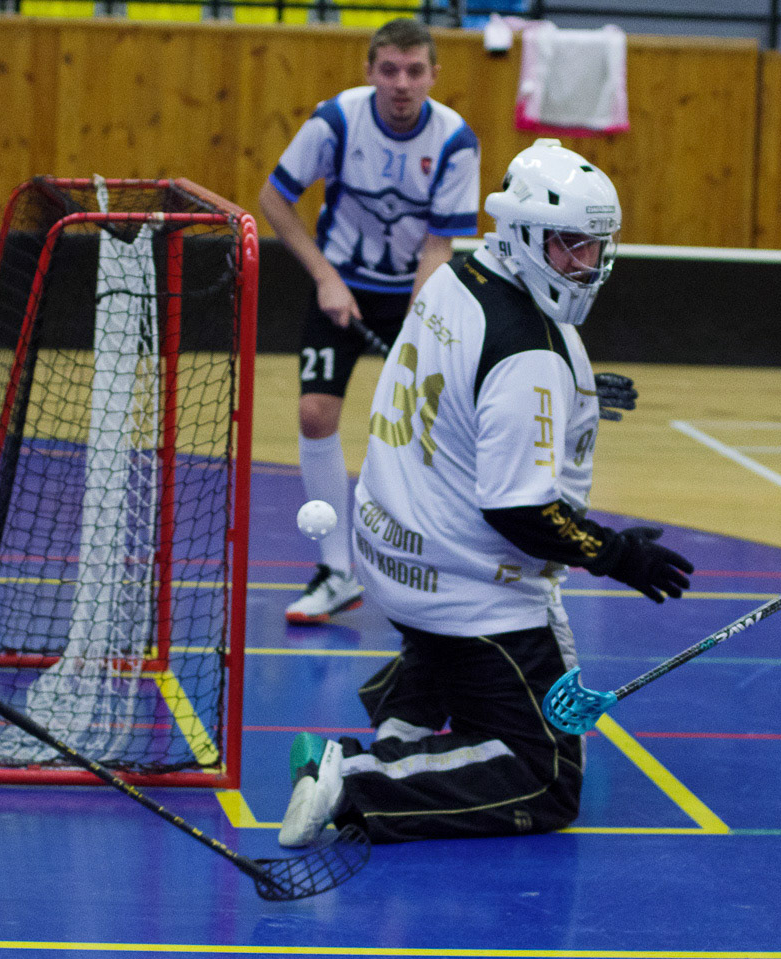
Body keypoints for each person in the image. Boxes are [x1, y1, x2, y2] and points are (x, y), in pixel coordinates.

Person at [276, 140, 693, 848]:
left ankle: (406, 719)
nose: (587, 264)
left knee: (466, 674)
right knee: (546, 776)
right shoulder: (529, 351)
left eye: (596, 247)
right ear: (525, 234)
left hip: (393, 551)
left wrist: (575, 389)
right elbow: (519, 509)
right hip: (468, 590)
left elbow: (470, 385)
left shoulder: (457, 276)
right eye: (569, 246)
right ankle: (354, 778)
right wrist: (617, 553)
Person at [258, 17, 481, 626]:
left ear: (434, 75)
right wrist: (324, 277)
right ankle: (337, 572)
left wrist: (418, 322)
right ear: (369, 72)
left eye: (414, 71)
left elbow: (438, 246)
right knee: (314, 413)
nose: (402, 83)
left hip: (414, 294)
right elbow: (274, 198)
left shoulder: (456, 141)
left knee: (425, 429)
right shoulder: (336, 121)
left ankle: (438, 566)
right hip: (340, 286)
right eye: (389, 70)